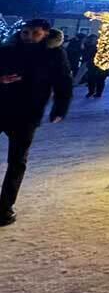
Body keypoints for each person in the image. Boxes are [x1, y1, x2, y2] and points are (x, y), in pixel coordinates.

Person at [0, 18, 72, 226]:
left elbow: (63, 82)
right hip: (1, 107)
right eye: (25, 33)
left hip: (27, 114)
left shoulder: (54, 54)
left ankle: (5, 207)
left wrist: (60, 108)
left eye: (35, 33)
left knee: (17, 162)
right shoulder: (7, 49)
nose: (29, 37)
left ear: (46, 34)